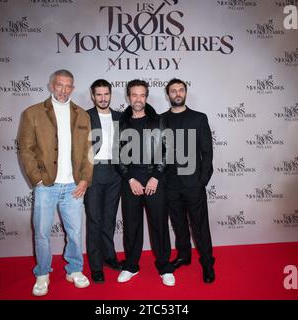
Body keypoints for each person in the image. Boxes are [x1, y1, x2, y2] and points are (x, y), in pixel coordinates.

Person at [18, 69, 93, 296]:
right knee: (41, 233)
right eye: (59, 85)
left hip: (73, 186)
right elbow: (25, 149)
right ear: (51, 85)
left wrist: (84, 180)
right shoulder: (32, 113)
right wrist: (37, 179)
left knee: (75, 233)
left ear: (73, 88)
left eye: (68, 86)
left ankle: (74, 269)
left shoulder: (82, 115)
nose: (63, 90)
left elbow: (89, 151)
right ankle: (42, 273)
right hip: (46, 186)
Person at [116, 79, 175, 287]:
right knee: (131, 226)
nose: (138, 99)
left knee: (159, 224)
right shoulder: (122, 123)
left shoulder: (158, 121)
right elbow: (117, 155)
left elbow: (168, 151)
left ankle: (164, 267)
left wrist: (156, 177)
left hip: (154, 180)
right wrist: (129, 178)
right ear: (128, 97)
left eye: (142, 95)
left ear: (146, 97)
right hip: (130, 181)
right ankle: (131, 266)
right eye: (134, 95)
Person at [162, 78, 216, 283]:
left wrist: (202, 180)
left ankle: (208, 262)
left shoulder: (199, 118)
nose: (177, 94)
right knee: (178, 223)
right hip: (170, 184)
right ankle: (184, 255)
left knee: (199, 225)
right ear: (168, 95)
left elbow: (207, 152)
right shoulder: (161, 119)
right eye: (173, 91)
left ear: (185, 93)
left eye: (180, 90)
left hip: (193, 183)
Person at [85, 79, 122, 283]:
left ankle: (109, 257)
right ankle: (96, 266)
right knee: (94, 221)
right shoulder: (85, 116)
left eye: (106, 94)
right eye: (98, 94)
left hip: (115, 173)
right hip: (94, 171)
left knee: (109, 219)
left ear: (111, 94)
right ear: (92, 96)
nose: (102, 98)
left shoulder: (119, 116)